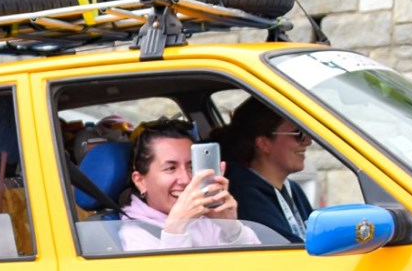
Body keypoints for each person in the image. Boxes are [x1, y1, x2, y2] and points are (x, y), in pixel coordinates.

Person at [119, 117, 255, 252]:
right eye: (170, 168)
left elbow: (256, 263)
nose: (185, 179)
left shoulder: (207, 216)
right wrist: (176, 229)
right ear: (140, 181)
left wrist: (232, 229)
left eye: (191, 167)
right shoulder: (134, 234)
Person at [222, 99, 315, 244]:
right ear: (264, 143)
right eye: (299, 133)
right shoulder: (244, 196)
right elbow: (283, 248)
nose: (308, 141)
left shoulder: (293, 189)